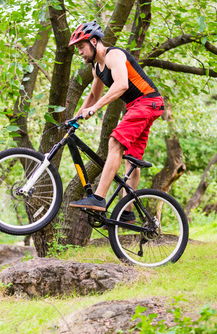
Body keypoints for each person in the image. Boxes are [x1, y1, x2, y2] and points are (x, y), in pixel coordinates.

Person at [68, 21, 164, 220]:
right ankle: (127, 213)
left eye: (81, 47)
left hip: (146, 102)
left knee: (114, 142)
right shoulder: (97, 68)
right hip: (140, 106)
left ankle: (99, 198)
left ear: (94, 42)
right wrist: (75, 117)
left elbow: (121, 85)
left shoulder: (114, 55)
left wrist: (94, 109)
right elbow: (93, 97)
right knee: (131, 159)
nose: (79, 52)